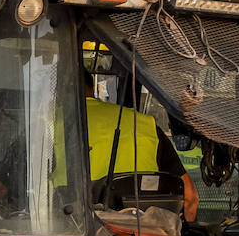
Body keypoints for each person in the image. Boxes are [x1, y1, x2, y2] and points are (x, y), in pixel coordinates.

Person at [84, 73, 198, 222]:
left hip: (81, 234)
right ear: (91, 87)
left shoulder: (53, 122)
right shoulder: (146, 125)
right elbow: (190, 197)